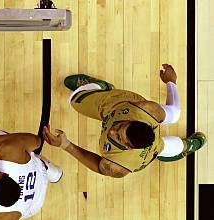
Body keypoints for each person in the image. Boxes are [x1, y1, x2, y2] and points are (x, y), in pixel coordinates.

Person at [52, 64, 206, 177]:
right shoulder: (147, 111)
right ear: (136, 121)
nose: (112, 131)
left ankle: (185, 147)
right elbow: (175, 112)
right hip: (116, 104)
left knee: (74, 101)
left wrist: (66, 145)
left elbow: (99, 166)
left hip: (142, 149)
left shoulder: (117, 166)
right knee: (75, 99)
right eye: (121, 127)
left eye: (119, 137)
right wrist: (171, 82)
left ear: (129, 147)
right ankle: (103, 87)